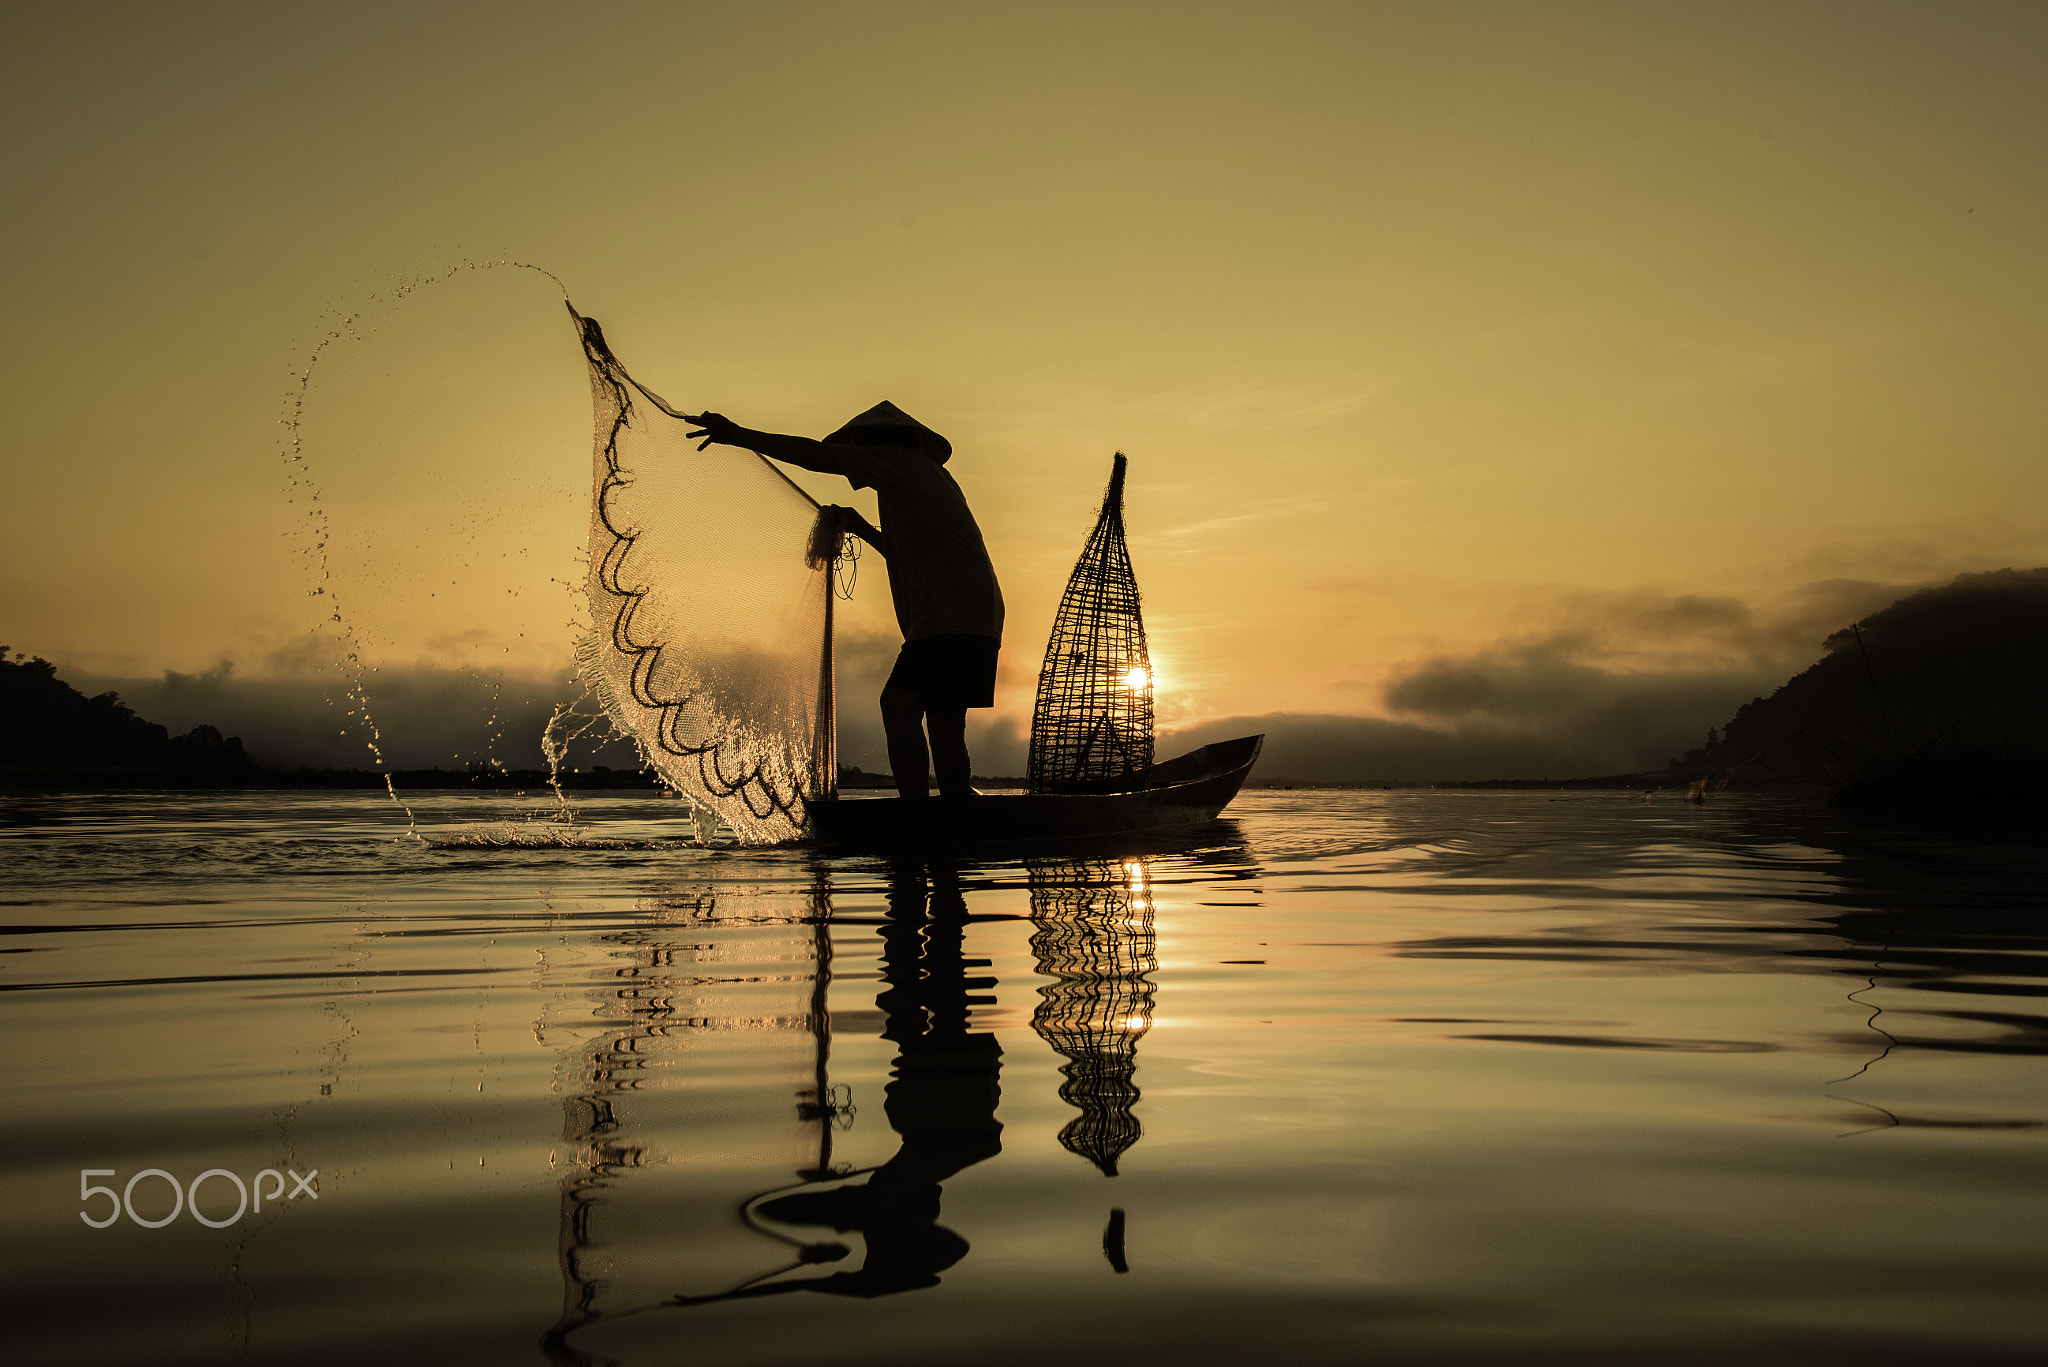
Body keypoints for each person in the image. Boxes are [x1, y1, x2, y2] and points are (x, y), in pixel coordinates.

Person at [684, 402, 1003, 800]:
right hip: (973, 613)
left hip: (950, 615)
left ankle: (918, 817)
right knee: (943, 723)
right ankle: (956, 818)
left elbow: (818, 456)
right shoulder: (920, 479)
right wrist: (862, 527)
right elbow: (907, 551)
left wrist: (739, 435)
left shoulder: (899, 463)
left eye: (860, 445)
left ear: (880, 444)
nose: (856, 455)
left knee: (898, 705)